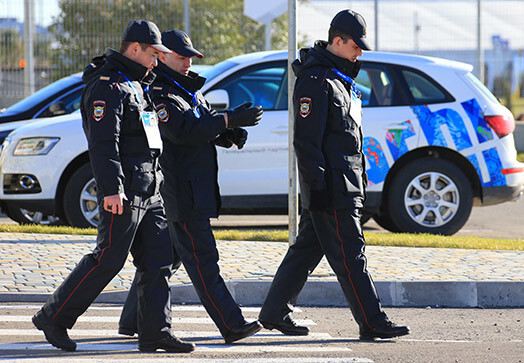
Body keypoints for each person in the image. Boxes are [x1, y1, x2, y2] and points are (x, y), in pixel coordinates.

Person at [32, 20, 195, 353]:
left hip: (149, 187)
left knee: (158, 261)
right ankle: (53, 317)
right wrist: (110, 189)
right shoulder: (108, 86)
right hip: (126, 189)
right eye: (153, 54)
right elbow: (104, 143)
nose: (156, 61)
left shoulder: (136, 84)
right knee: (107, 259)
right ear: (134, 49)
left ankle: (155, 332)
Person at [258, 9, 410, 341]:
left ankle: (274, 311)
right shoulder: (316, 80)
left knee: (307, 250)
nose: (360, 53)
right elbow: (306, 143)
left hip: (343, 184)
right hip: (331, 188)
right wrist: (318, 189)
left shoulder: (340, 80)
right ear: (337, 41)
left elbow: (346, 138)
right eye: (356, 46)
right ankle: (372, 321)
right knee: (351, 254)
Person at [118, 29, 264, 344]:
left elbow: (201, 123)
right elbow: (181, 131)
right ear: (162, 56)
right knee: (203, 259)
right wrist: (228, 120)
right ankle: (232, 323)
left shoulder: (187, 90)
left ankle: (133, 320)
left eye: (190, 57)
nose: (187, 62)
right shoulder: (160, 92)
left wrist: (228, 135)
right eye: (181, 56)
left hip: (189, 188)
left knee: (164, 260)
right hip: (178, 191)